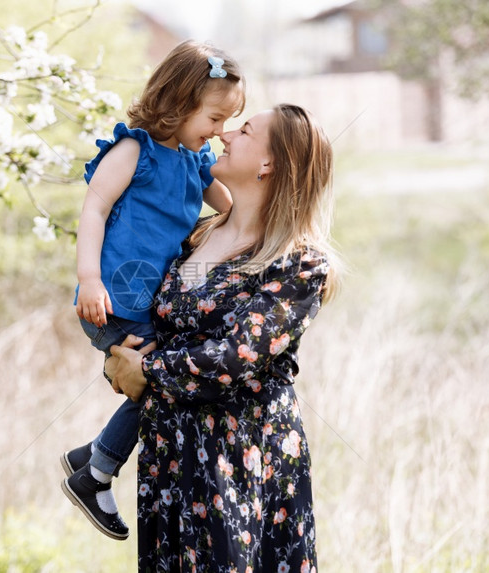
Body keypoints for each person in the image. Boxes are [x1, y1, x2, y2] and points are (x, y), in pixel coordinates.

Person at [109, 104, 340, 571]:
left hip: (235, 463)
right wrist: (120, 353)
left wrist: (146, 370)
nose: (227, 134)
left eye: (246, 130)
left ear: (268, 164)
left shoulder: (297, 264)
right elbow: (157, 320)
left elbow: (232, 359)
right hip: (169, 458)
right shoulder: (195, 238)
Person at [60, 40, 245, 541]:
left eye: (229, 122)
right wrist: (89, 279)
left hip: (150, 302)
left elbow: (231, 203)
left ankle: (89, 454)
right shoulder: (134, 150)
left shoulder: (194, 159)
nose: (220, 132)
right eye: (214, 118)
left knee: (158, 378)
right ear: (179, 102)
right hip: (114, 298)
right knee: (158, 383)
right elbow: (94, 210)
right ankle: (95, 473)